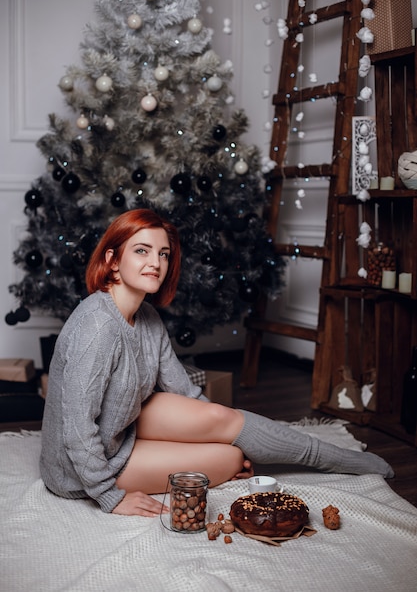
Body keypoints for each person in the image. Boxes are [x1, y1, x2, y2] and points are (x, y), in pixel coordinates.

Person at [40, 209, 394, 518]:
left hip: (120, 426)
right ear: (113, 260)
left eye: (163, 254)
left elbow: (183, 389)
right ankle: (250, 457)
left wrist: (211, 427)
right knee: (229, 459)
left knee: (222, 419)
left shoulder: (146, 316)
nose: (156, 263)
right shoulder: (97, 326)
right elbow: (75, 424)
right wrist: (108, 495)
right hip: (80, 466)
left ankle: (333, 458)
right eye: (142, 251)